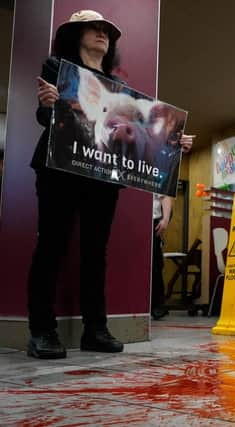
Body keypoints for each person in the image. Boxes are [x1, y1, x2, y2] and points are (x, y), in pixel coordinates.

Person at [27, 10, 192, 359]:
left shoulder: (120, 88)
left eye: (106, 31)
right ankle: (41, 330)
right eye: (94, 28)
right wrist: (48, 105)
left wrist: (174, 142)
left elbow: (142, 133)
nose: (102, 34)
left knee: (95, 252)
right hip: (59, 168)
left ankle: (95, 329)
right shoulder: (56, 67)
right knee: (51, 245)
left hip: (102, 176)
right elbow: (45, 118)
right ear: (77, 34)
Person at [151, 194, 172, 320]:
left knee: (155, 265)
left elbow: (165, 196)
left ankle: (157, 306)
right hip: (137, 217)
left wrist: (165, 220)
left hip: (153, 221)